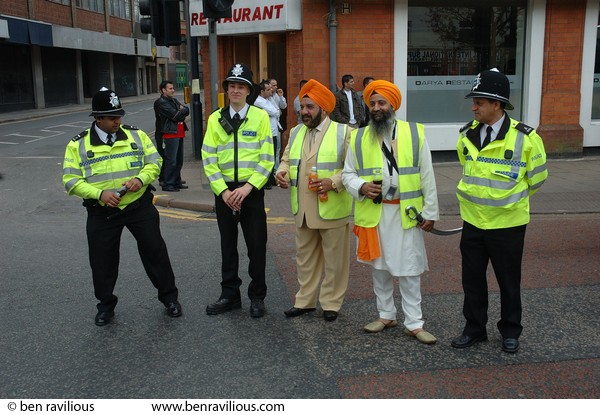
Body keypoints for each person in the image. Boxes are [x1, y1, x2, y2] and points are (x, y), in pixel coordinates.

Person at [62, 87, 182, 326]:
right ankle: (105, 306)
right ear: (98, 119)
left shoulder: (136, 136)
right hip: (102, 212)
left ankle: (170, 298)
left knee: (155, 252)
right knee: (102, 261)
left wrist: (141, 179)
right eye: (113, 117)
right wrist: (99, 194)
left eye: (120, 116)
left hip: (139, 208)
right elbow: (71, 181)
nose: (119, 121)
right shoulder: (78, 145)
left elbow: (155, 161)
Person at [451, 68, 548, 353]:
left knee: (508, 281)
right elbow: (467, 170)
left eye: (479, 102)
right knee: (472, 280)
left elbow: (538, 177)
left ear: (497, 104)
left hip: (508, 224)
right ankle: (475, 329)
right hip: (473, 222)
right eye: (474, 101)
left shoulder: (526, 138)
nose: (473, 107)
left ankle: (510, 330)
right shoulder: (467, 134)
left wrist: (511, 200)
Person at [342, 80, 439, 344]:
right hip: (375, 214)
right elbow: (347, 173)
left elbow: (427, 175)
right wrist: (360, 186)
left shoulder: (415, 133)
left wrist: (430, 212)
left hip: (406, 213)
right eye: (372, 103)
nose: (376, 108)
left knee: (409, 269)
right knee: (380, 267)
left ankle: (415, 323)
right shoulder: (360, 136)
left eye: (381, 102)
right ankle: (386, 314)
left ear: (393, 105)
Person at [276, 79, 353, 322]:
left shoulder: (345, 132)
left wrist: (334, 182)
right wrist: (282, 172)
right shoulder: (297, 131)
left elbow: (354, 168)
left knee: (335, 261)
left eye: (309, 107)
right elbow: (288, 159)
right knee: (305, 258)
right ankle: (305, 301)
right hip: (303, 209)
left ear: (324, 108)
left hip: (332, 208)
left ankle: (331, 303)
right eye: (302, 107)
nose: (304, 112)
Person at [201, 64, 274, 318]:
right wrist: (223, 191)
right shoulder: (214, 118)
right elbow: (208, 158)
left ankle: (257, 296)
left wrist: (248, 188)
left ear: (248, 91)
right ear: (226, 90)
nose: (235, 90)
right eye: (231, 86)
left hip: (250, 190)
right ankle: (230, 295)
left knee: (256, 246)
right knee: (227, 246)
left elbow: (267, 157)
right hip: (225, 192)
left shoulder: (260, 117)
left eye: (240, 86)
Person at [155, 80, 189, 192]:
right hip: (169, 134)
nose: (173, 90)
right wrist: (180, 112)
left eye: (173, 88)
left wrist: (181, 111)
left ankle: (176, 181)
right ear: (163, 90)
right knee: (171, 160)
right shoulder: (161, 102)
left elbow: (186, 110)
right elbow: (175, 116)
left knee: (179, 160)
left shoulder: (173, 100)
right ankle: (168, 184)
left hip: (179, 132)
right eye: (170, 88)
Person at [254, 79, 281, 189]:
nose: (271, 91)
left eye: (271, 89)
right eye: (268, 89)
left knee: (273, 156)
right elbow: (274, 112)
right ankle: (266, 181)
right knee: (267, 157)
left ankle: (271, 179)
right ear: (261, 91)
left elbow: (278, 110)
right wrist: (276, 111)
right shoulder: (258, 101)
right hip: (267, 132)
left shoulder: (269, 99)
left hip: (274, 131)